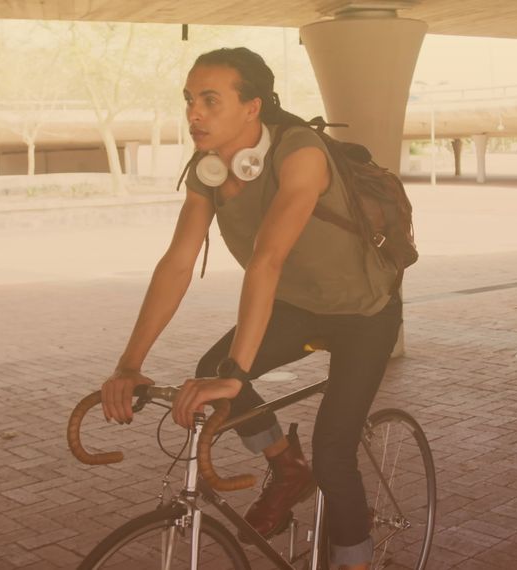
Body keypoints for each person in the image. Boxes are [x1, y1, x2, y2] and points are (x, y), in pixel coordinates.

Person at [100, 46, 402, 570]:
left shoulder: (301, 153)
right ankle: (287, 468)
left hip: (362, 312)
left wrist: (237, 375)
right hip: (298, 308)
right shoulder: (209, 170)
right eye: (190, 99)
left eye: (211, 100)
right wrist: (130, 363)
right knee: (209, 372)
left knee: (334, 453)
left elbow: (266, 260)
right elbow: (176, 264)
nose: (194, 112)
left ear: (252, 107)